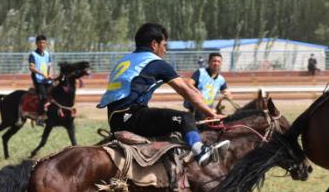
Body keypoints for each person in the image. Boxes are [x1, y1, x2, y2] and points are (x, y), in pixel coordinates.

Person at [98, 23, 229, 166]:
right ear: (154, 44)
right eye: (164, 45)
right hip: (131, 118)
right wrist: (213, 114)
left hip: (114, 120)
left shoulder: (124, 61)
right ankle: (201, 152)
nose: (165, 50)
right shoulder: (157, 63)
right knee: (185, 118)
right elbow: (187, 93)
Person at [185, 52, 232, 120]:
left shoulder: (221, 79)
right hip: (196, 106)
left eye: (219, 61)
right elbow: (189, 84)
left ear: (221, 63)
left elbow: (228, 94)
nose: (216, 63)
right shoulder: (200, 72)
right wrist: (197, 91)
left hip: (209, 108)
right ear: (208, 62)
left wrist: (228, 95)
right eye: (214, 61)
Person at [28, 34, 52, 123]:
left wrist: (49, 74)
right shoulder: (33, 55)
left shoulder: (47, 54)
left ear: (46, 44)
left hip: (46, 78)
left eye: (43, 43)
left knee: (53, 94)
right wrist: (42, 74)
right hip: (37, 79)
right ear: (36, 44)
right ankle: (39, 117)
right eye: (40, 43)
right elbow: (31, 68)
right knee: (44, 97)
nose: (42, 44)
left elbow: (49, 65)